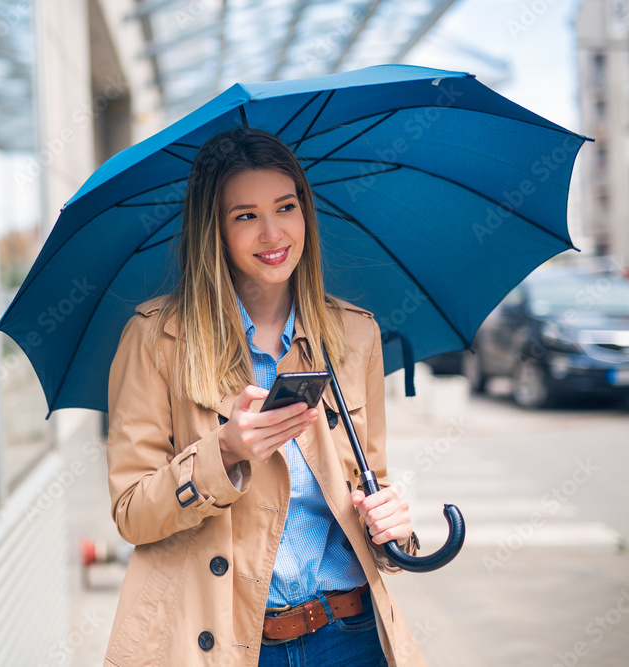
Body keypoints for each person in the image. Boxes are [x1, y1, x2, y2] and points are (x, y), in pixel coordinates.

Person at [103, 128, 425, 666]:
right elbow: (132, 514)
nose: (274, 233)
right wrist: (223, 453)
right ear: (216, 231)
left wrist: (391, 523)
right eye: (246, 216)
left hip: (351, 634)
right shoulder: (156, 338)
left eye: (286, 206)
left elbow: (372, 480)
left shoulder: (354, 336)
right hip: (232, 645)